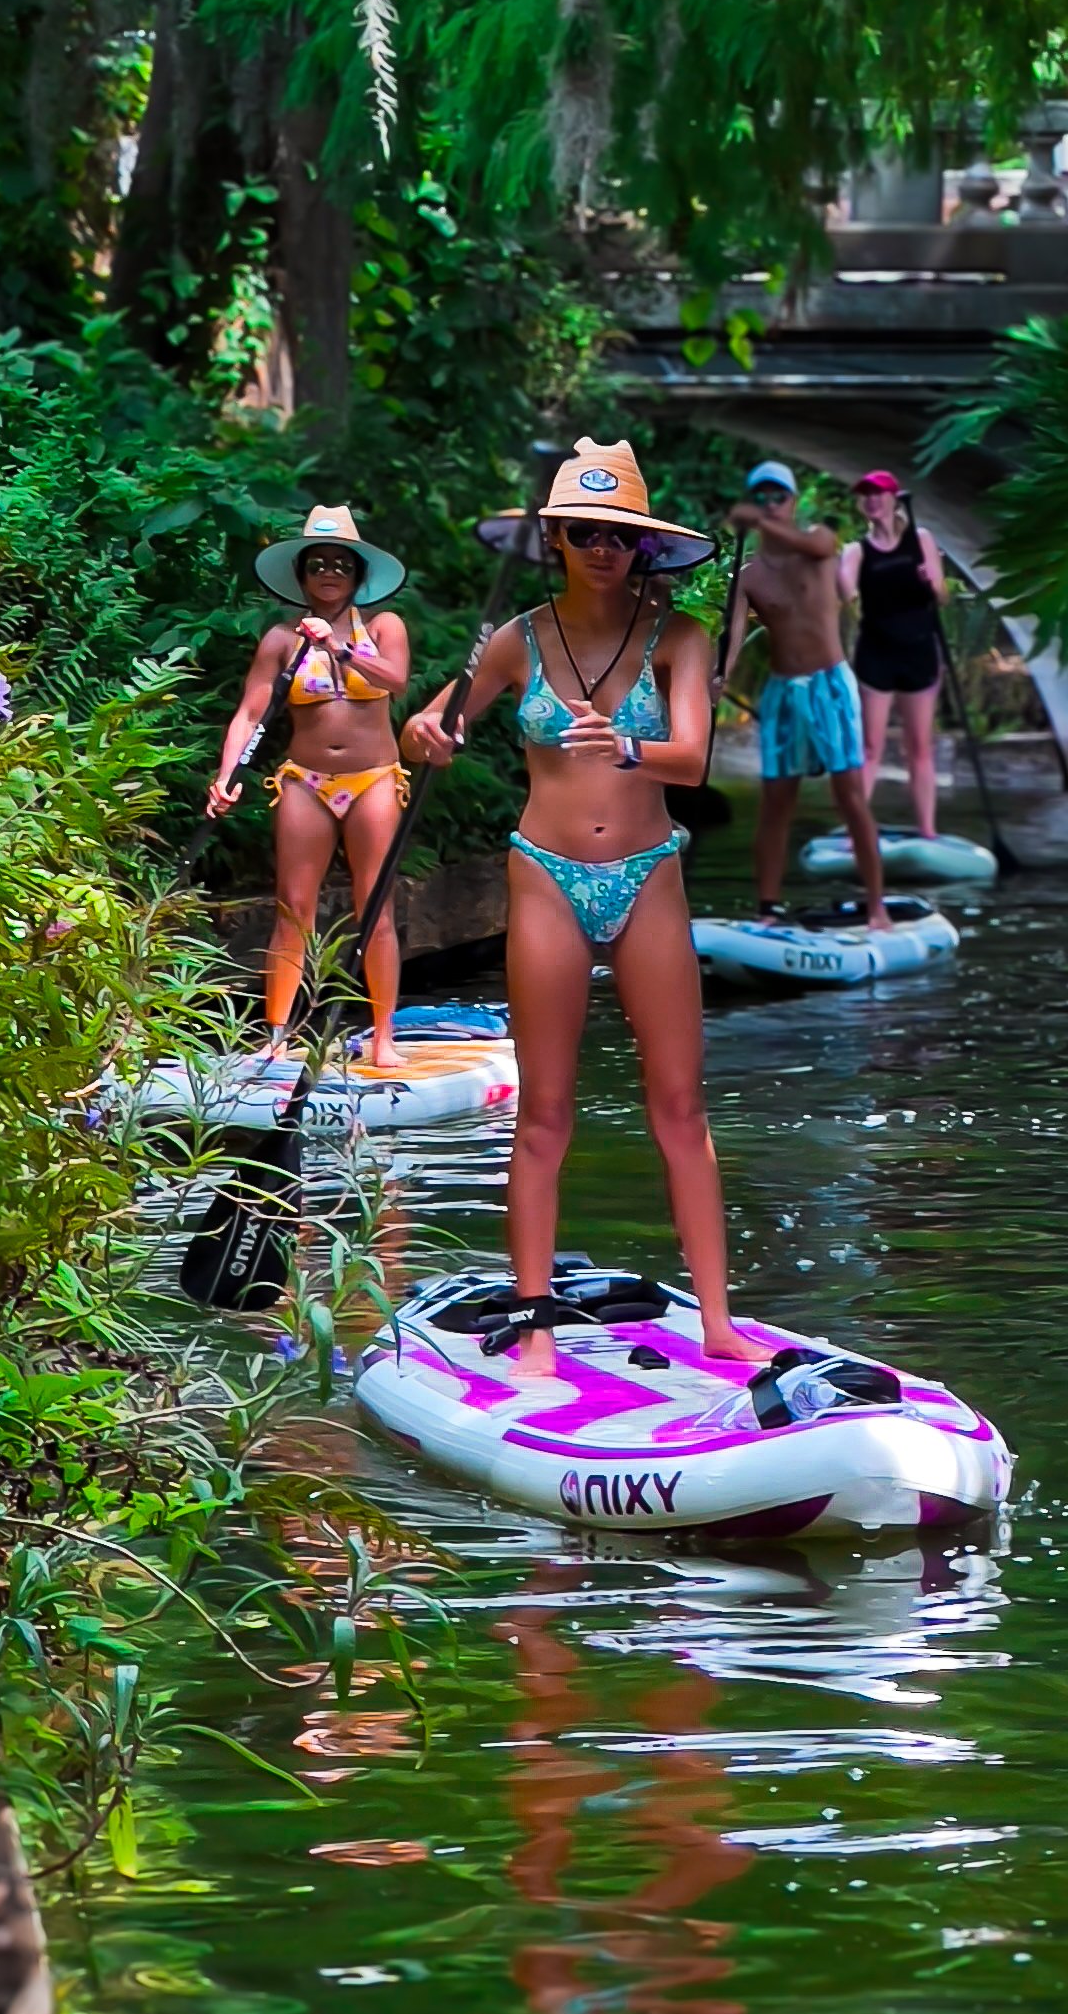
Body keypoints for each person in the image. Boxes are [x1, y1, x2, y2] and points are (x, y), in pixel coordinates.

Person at [401, 440, 754, 1379]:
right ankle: (535, 1323)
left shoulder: (677, 636)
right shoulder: (518, 637)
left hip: (649, 872)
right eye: (585, 532)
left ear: (644, 546)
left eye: (620, 534)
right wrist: (428, 732)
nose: (603, 547)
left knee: (680, 1104)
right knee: (545, 1112)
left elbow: (693, 758)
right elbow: (432, 723)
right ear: (556, 537)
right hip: (546, 871)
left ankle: (718, 1321)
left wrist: (630, 748)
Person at [208, 503, 411, 1071]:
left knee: (375, 905)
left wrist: (338, 647)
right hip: (306, 779)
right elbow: (249, 715)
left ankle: (384, 1034)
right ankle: (275, 1034)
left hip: (372, 778)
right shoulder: (280, 640)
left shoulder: (383, 627)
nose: (329, 572)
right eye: (316, 563)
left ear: (357, 574)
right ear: (301, 576)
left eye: (340, 564)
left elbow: (395, 681)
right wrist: (226, 776)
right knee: (294, 907)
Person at [720, 461, 890, 928]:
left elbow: (817, 544)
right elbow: (732, 636)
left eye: (779, 497)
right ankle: (768, 908)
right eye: (762, 498)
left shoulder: (818, 542)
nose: (771, 505)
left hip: (829, 686)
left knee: (850, 796)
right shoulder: (750, 572)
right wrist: (721, 678)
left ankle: (877, 907)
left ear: (793, 502)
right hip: (781, 692)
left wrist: (761, 523)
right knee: (776, 801)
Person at [838, 470, 947, 837]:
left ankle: (928, 832)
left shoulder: (921, 539)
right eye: (865, 494)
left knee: (920, 748)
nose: (871, 499)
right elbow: (846, 590)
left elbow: (942, 596)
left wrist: (932, 580)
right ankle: (857, 832)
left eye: (878, 493)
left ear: (893, 499)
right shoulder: (856, 550)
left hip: (919, 651)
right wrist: (839, 581)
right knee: (870, 748)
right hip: (877, 654)